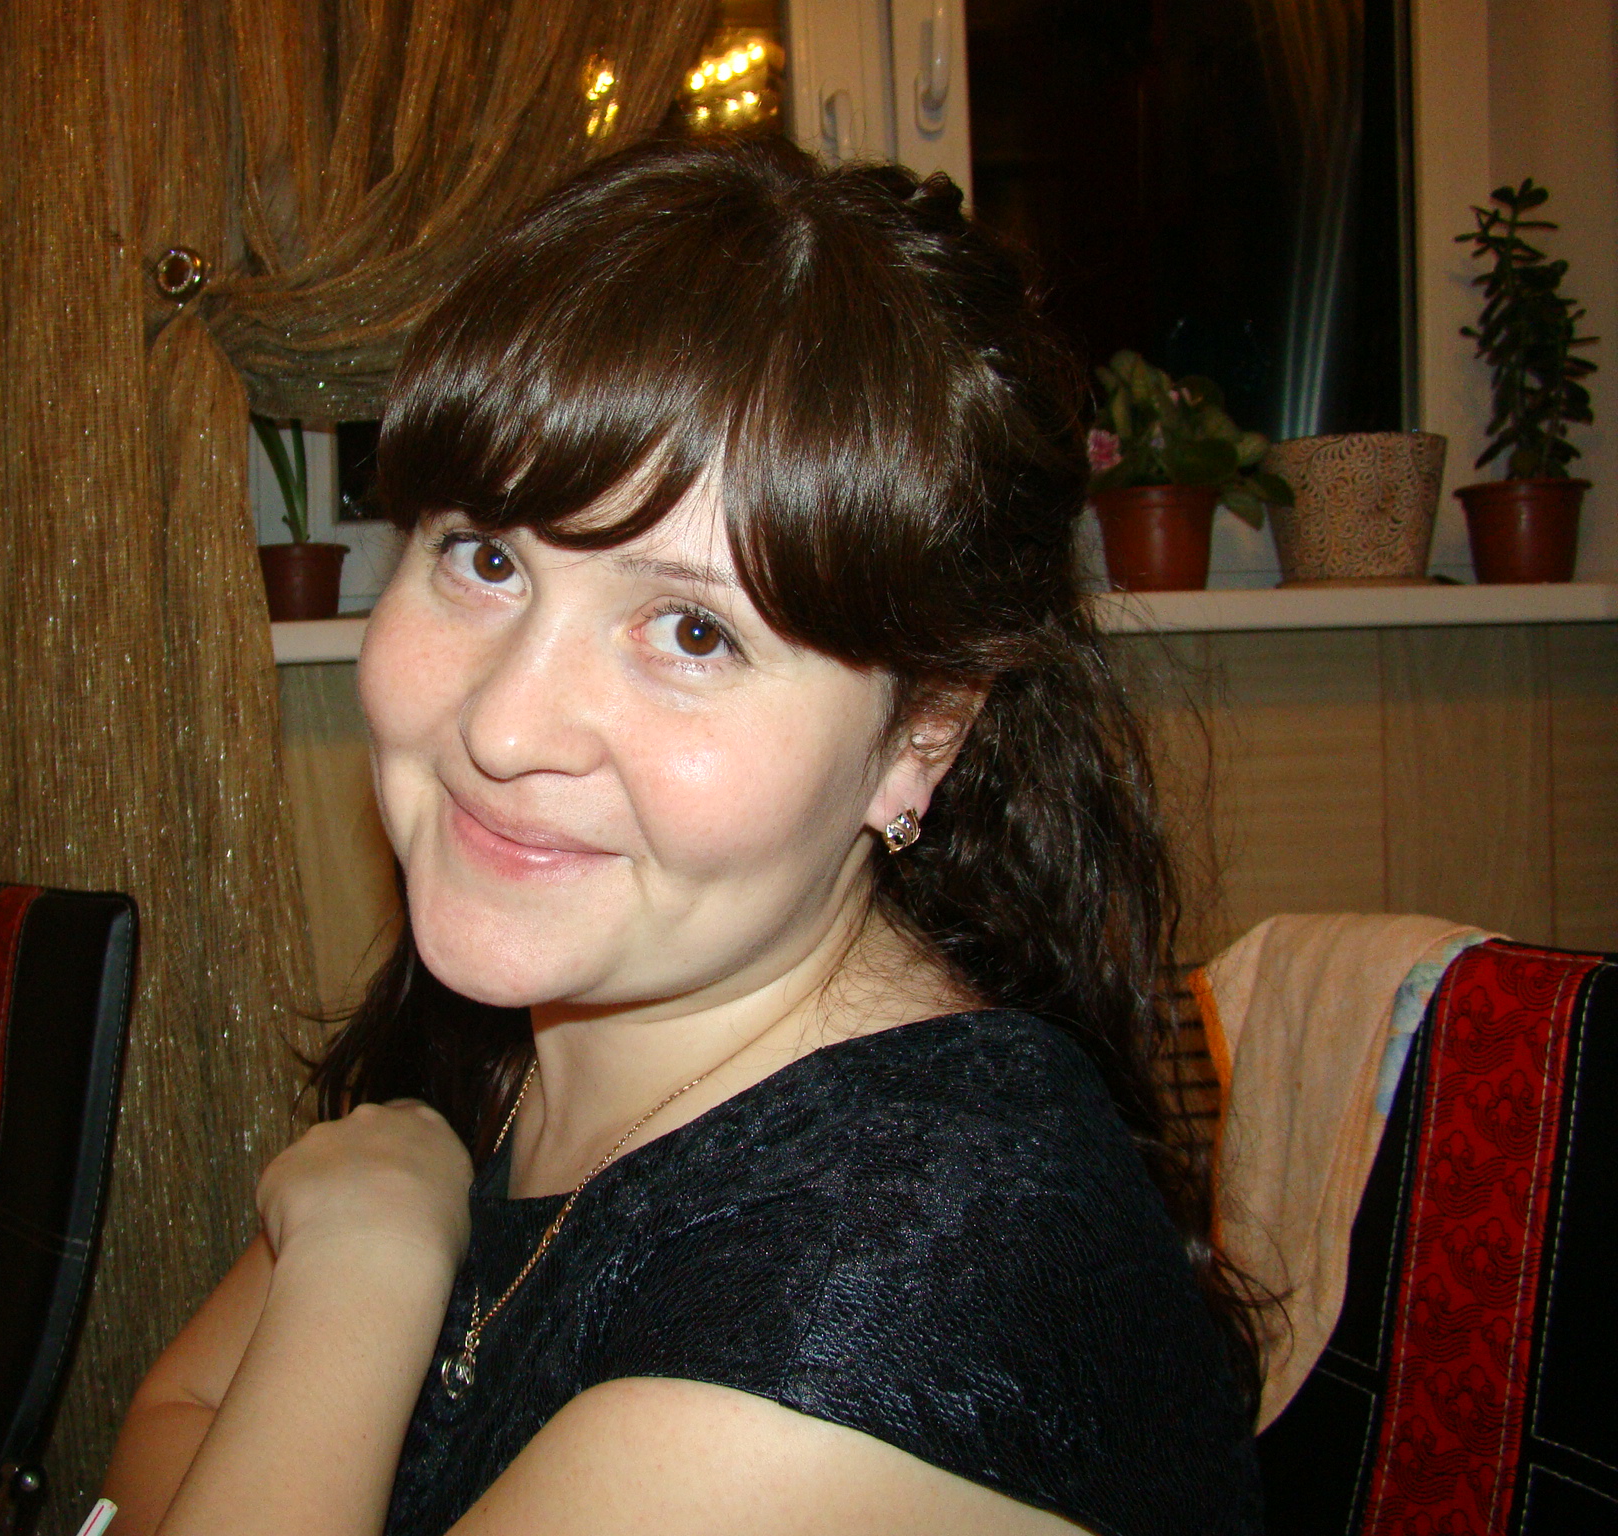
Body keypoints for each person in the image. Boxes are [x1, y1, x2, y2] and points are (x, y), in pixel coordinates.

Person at [103, 135, 1264, 1536]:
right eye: (486, 557)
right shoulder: (566, 1018)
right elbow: (167, 1426)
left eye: (695, 632)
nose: (505, 729)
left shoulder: (879, 1294)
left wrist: (361, 1264)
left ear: (924, 731)